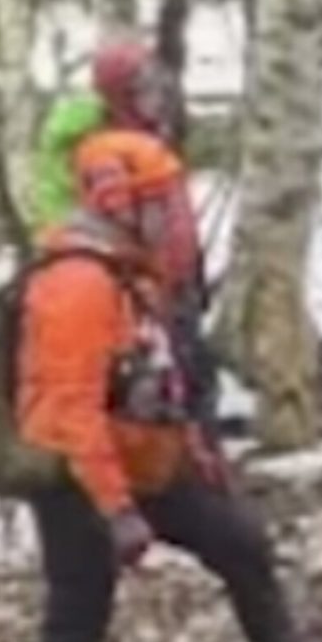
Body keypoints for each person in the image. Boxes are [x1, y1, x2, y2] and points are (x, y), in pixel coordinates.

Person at [18, 128, 322, 642]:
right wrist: (117, 509)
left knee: (241, 542)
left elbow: (159, 378)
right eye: (162, 202)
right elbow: (73, 411)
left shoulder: (134, 272)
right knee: (76, 617)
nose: (176, 215)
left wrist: (196, 455)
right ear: (121, 204)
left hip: (149, 458)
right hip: (78, 476)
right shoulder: (78, 284)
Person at [31, 38, 223, 444]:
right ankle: (175, 479)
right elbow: (127, 226)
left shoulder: (139, 139)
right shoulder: (108, 154)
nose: (157, 98)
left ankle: (194, 467)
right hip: (140, 291)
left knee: (195, 379)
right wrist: (156, 283)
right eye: (145, 89)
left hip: (168, 283)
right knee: (168, 389)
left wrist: (191, 271)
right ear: (122, 95)